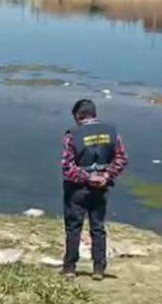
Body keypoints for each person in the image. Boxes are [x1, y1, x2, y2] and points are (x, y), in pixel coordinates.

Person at [61, 99, 128, 280]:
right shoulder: (112, 133)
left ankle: (70, 267)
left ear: (77, 116)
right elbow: (121, 158)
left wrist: (88, 177)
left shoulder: (73, 135)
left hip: (77, 189)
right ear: (94, 113)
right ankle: (99, 268)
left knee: (74, 227)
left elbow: (67, 167)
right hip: (102, 187)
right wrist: (106, 176)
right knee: (98, 227)